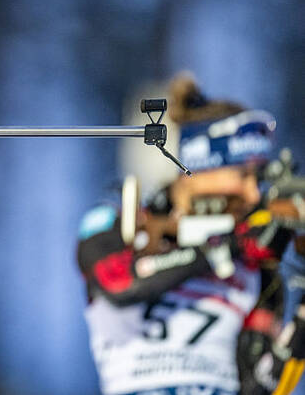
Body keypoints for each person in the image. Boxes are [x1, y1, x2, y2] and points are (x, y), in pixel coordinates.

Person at [77, 74, 305, 395]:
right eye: (242, 174)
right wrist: (220, 247)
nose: (254, 194)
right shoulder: (114, 224)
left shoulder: (252, 260)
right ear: (198, 166)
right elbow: (119, 282)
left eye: (257, 178)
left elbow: (262, 385)